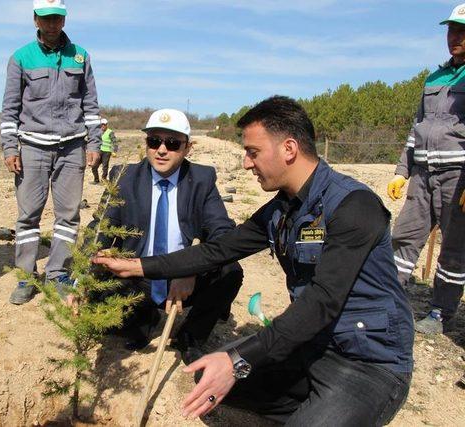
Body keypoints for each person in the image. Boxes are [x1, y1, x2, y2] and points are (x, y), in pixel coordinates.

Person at [95, 96, 414, 425]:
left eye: (253, 152)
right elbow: (217, 250)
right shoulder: (282, 209)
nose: (246, 163)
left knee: (230, 367)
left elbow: (322, 302)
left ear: (288, 149)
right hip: (309, 345)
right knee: (210, 380)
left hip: (366, 362)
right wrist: (136, 267)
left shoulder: (354, 206)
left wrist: (238, 358)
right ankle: (311, 409)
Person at [87, 109, 243, 361]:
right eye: (154, 141)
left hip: (183, 272)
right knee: (95, 285)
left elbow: (222, 234)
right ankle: (141, 319)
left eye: (172, 143)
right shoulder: (124, 178)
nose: (161, 150)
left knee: (230, 271)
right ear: (146, 143)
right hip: (136, 271)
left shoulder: (201, 180)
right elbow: (100, 228)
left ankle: (190, 337)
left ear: (187, 148)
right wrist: (82, 275)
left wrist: (190, 268)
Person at [0, 0, 102, 305]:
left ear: (64, 19)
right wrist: (9, 147)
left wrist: (94, 142)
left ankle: (58, 273)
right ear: (35, 20)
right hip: (32, 147)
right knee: (28, 216)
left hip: (72, 148)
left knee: (68, 216)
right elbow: (10, 108)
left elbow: (91, 105)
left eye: (57, 18)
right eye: (46, 19)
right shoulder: (21, 58)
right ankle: (26, 277)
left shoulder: (80, 56)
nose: (52, 24)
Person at [388, 3, 465, 335]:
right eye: (451, 30)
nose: (454, 37)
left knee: (454, 248)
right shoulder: (435, 77)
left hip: (458, 178)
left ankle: (440, 313)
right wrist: (401, 171)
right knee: (403, 237)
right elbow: (415, 127)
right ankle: (389, 296)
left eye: (462, 31)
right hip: (423, 174)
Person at [91, 118, 117, 183]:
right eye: (101, 125)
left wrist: (114, 150)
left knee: (105, 166)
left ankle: (104, 180)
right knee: (94, 166)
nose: (103, 126)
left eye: (104, 125)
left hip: (107, 152)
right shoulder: (98, 132)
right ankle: (96, 180)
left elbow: (115, 142)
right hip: (99, 151)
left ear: (106, 125)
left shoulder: (110, 132)